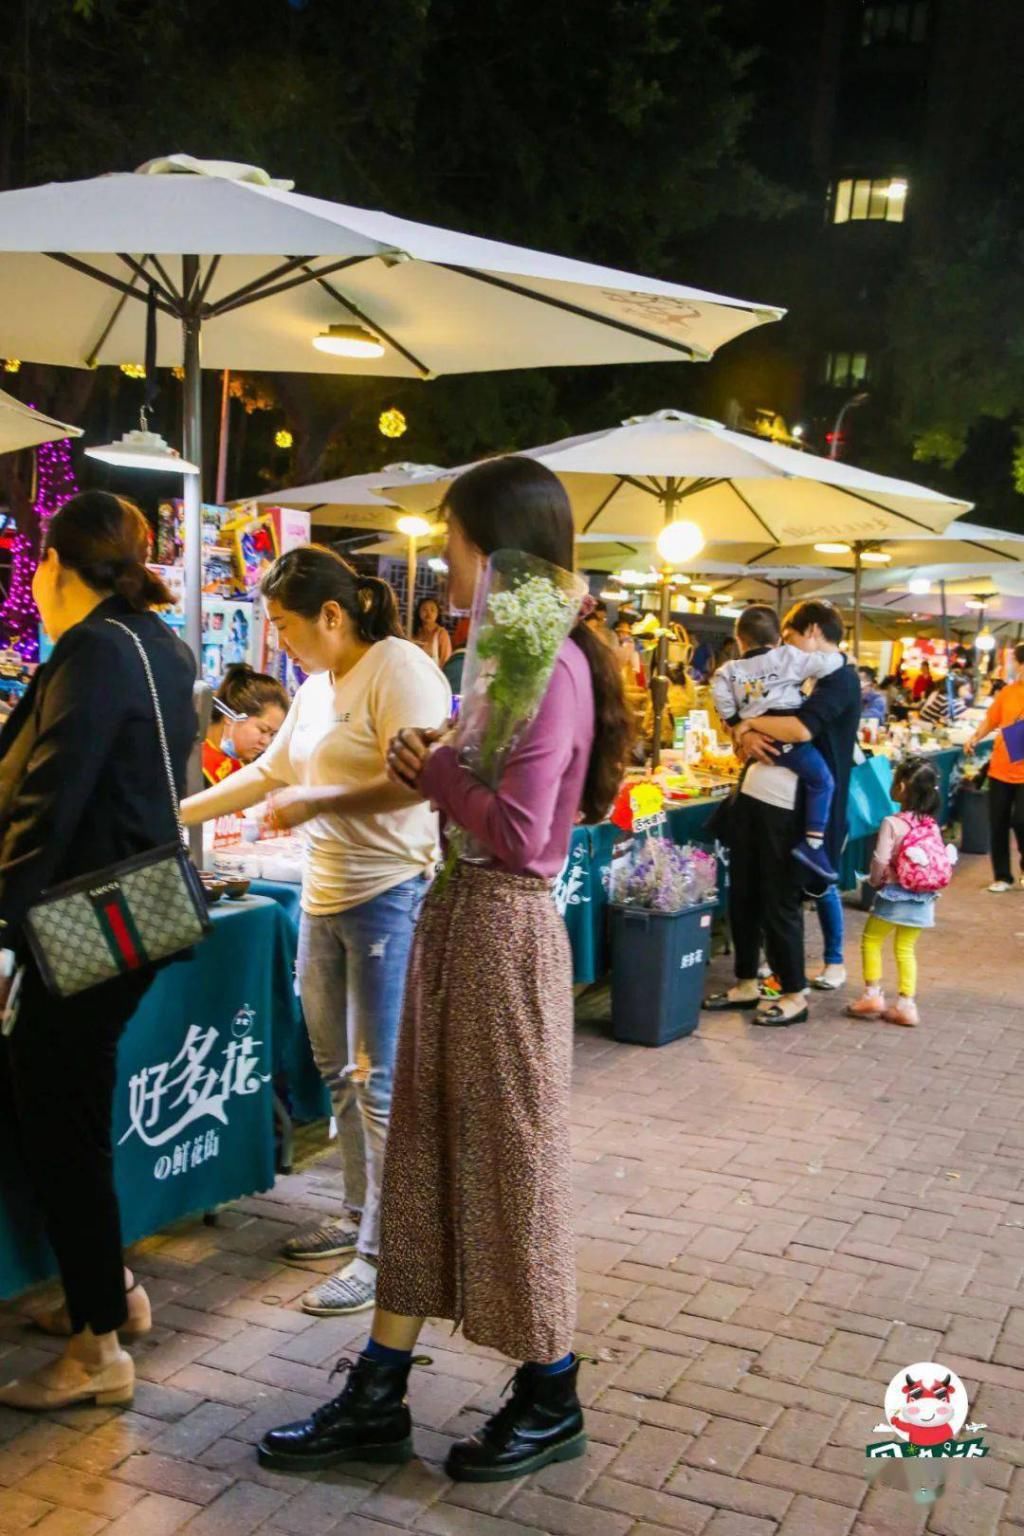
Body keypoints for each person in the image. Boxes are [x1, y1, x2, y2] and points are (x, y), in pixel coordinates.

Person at [257, 456, 631, 1483]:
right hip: (458, 919)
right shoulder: (508, 652)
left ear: (491, 543)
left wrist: (434, 774)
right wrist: (436, 760)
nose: (444, 559)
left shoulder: (541, 659)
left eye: (452, 536)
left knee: (510, 1165)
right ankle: (379, 1389)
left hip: (500, 929)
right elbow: (482, 791)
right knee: (420, 1155)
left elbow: (512, 832)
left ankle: (551, 1390)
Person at [182, 548, 450, 1316]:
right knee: (340, 1072)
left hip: (388, 898)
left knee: (377, 1081)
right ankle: (359, 1217)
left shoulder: (400, 669)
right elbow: (269, 771)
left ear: (333, 615)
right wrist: (175, 815)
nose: (280, 640)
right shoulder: (316, 686)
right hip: (325, 900)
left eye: (285, 625)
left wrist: (319, 803)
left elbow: (419, 778)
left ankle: (385, 1252)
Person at [0, 491, 196, 1410]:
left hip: (86, 925)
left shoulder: (93, 653)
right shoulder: (160, 643)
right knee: (60, 1107)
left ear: (54, 564)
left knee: (64, 1123)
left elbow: (48, 807)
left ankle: (97, 1350)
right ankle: (108, 1294)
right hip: (136, 912)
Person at [705, 600, 861, 1022]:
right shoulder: (787, 668)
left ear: (810, 630)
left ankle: (794, 993)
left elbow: (800, 728)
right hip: (754, 796)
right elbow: (746, 717)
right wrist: (742, 734)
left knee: (779, 901)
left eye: (789, 637)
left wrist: (746, 724)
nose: (782, 647)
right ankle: (746, 982)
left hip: (792, 809)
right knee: (744, 895)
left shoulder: (840, 678)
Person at [711, 605, 843, 883]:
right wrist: (841, 659)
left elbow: (720, 698)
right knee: (822, 781)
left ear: (740, 640)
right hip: (786, 738)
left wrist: (739, 723)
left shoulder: (729, 670)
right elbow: (828, 664)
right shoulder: (788, 657)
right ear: (777, 639)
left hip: (758, 745)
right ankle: (815, 844)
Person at [846, 757, 953, 1027]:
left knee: (871, 939)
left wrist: (874, 881)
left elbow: (881, 860)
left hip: (895, 893)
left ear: (902, 788)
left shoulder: (892, 823)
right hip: (924, 896)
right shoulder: (930, 823)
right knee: (905, 948)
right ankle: (906, 1005)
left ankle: (872, 994)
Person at [964, 641, 1024, 893]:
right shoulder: (1008, 692)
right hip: (1000, 767)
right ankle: (1002, 876)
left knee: (1021, 821)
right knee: (997, 822)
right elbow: (992, 719)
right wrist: (975, 737)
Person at [202, 664, 289, 785]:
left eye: (272, 734)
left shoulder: (248, 763)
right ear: (231, 717)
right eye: (263, 730)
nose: (266, 742)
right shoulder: (194, 764)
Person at [411, 596, 452, 668]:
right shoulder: (415, 633)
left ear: (437, 613)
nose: (428, 613)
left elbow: (446, 660)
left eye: (432, 610)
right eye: (424, 610)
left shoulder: (441, 633)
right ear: (418, 612)